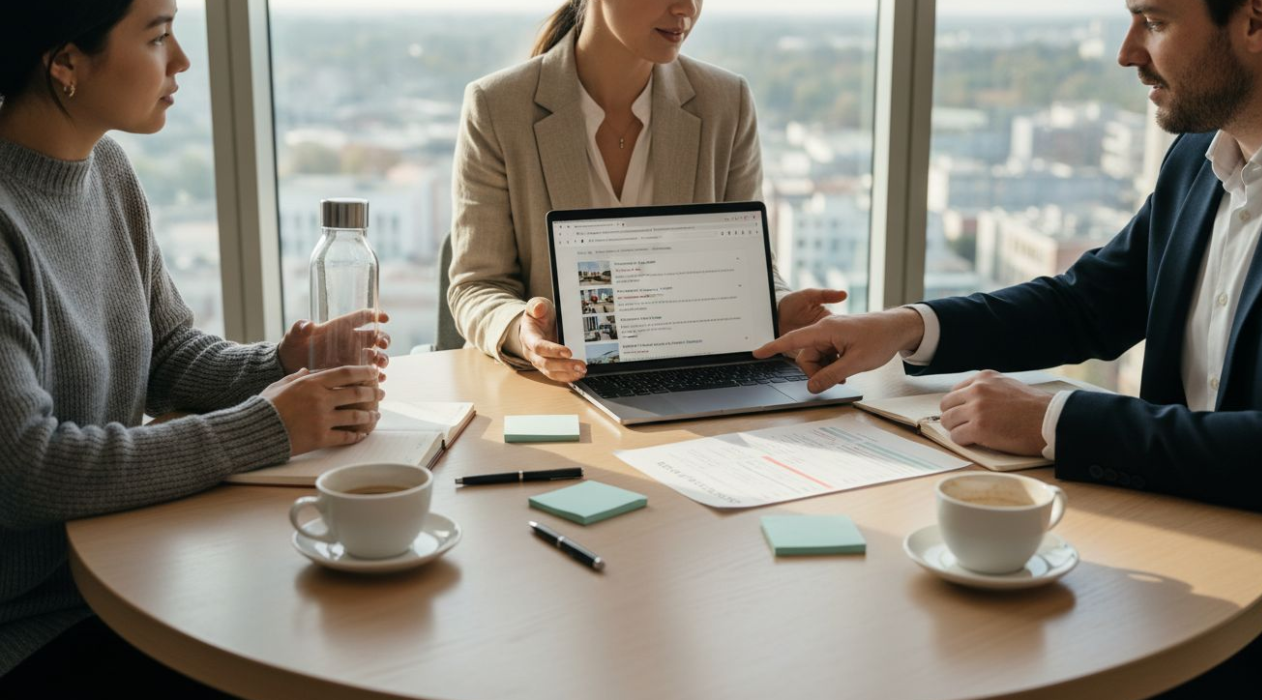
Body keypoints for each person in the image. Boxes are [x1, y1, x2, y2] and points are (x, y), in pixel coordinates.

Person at [757, 0, 1262, 696]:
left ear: (1256, 21)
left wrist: (1053, 420)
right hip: (1184, 561)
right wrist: (904, 327)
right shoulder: (1198, 157)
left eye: (1154, 22)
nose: (1127, 52)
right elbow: (1089, 304)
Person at [0, 1, 390, 694]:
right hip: (32, 624)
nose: (181, 61)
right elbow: (27, 468)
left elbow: (168, 352)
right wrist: (267, 426)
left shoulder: (108, 171)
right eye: (156, 36)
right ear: (63, 63)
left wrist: (281, 363)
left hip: (125, 568)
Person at [448, 0, 844, 383]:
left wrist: (776, 308)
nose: (686, 8)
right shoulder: (497, 107)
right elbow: (477, 285)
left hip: (694, 389)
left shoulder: (727, 103)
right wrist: (524, 333)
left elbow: (745, 267)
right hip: (554, 394)